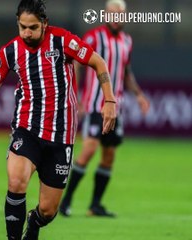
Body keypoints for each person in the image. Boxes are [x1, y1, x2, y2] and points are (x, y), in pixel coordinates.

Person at [0, 0, 117, 239]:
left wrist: (109, 101)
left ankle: (35, 221)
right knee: (17, 181)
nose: (27, 33)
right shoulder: (10, 51)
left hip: (61, 135)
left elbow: (97, 61)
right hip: (26, 128)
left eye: (33, 27)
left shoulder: (62, 41)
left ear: (44, 24)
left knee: (48, 211)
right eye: (22, 27)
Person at [59, 0, 150, 217]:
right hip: (94, 105)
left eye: (120, 13)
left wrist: (138, 95)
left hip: (115, 108)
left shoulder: (127, 41)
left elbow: (126, 72)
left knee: (108, 155)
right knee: (89, 149)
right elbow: (78, 64)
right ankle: (65, 202)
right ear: (106, 15)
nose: (117, 17)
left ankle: (95, 205)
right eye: (113, 13)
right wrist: (78, 96)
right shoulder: (94, 37)